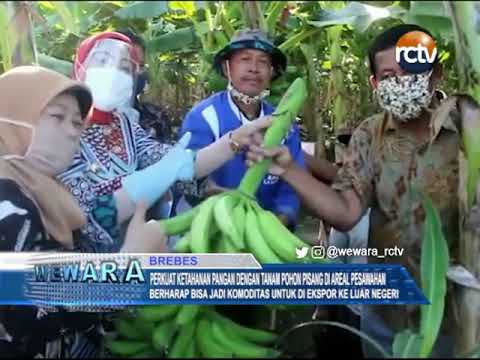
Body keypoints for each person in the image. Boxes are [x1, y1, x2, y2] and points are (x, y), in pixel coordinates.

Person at [246, 24, 473, 357]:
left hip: (461, 312)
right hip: (387, 309)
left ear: (435, 73)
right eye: (389, 74)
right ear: (375, 85)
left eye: (411, 69)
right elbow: (346, 213)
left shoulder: (471, 131)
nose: (401, 81)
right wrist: (288, 169)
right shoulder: (370, 135)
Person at [0, 66, 167, 358]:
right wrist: (130, 266)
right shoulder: (8, 203)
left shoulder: (48, 189)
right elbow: (40, 299)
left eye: (77, 123)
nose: (70, 131)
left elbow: (98, 211)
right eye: (56, 117)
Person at [58, 31, 271, 252]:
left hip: (141, 245)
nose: (113, 72)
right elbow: (86, 215)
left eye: (124, 67)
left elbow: (177, 164)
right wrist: (162, 174)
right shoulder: (62, 127)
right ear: (80, 67)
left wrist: (234, 140)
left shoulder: (125, 125)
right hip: (84, 263)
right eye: (102, 61)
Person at [180, 29, 305, 229]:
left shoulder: (285, 125)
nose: (254, 68)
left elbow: (290, 190)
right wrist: (231, 207)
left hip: (266, 228)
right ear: (227, 67)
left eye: (263, 62)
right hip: (210, 225)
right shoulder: (204, 117)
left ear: (271, 72)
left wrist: (277, 223)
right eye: (245, 59)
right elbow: (189, 178)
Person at [116, 28, 174, 143]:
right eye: (127, 65)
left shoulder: (156, 117)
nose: (136, 72)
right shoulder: (79, 117)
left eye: (141, 66)